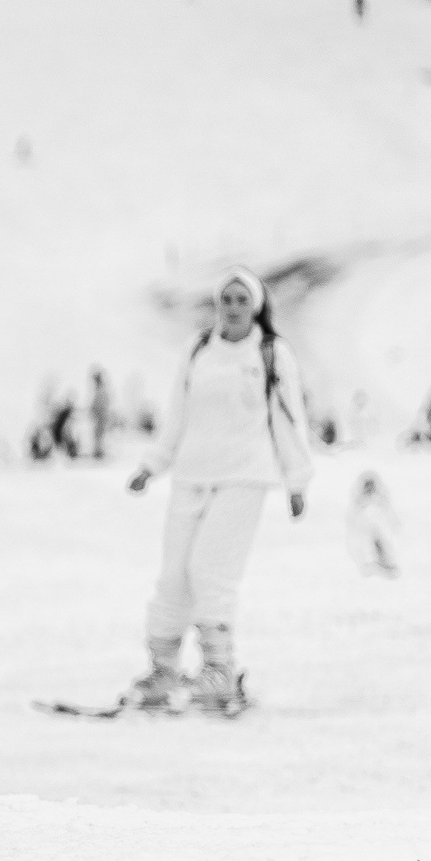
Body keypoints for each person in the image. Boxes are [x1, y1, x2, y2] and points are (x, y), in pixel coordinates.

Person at [125, 267, 313, 713]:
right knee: (173, 574)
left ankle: (219, 670)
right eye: (225, 300)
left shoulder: (271, 354)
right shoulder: (198, 351)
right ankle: (163, 668)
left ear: (257, 307)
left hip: (245, 475)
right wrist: (152, 465)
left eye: (240, 300)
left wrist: (297, 479)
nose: (231, 308)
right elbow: (178, 414)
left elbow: (289, 419)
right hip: (191, 472)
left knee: (211, 570)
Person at [346, 471, 400, 577]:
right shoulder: (361, 500)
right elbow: (354, 514)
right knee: (368, 541)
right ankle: (373, 562)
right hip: (367, 527)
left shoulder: (379, 498)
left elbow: (387, 510)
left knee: (382, 539)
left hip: (376, 526)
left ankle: (384, 562)